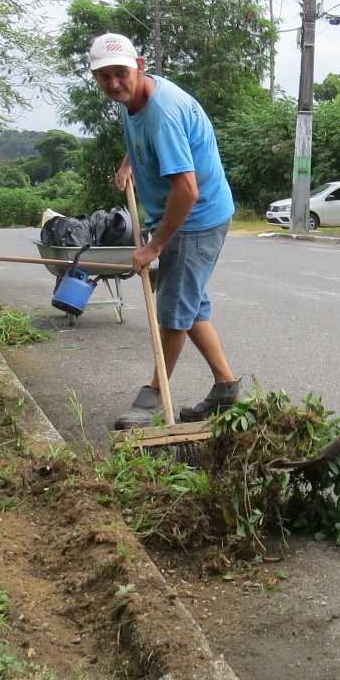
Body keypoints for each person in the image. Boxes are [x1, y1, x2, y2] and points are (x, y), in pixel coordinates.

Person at [87, 33, 243, 429]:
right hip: (183, 212)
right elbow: (138, 131)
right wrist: (128, 164)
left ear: (138, 65)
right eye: (104, 77)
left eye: (120, 74)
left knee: (174, 311)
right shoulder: (135, 96)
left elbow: (187, 190)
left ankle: (153, 398)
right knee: (190, 304)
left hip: (196, 217)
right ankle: (226, 388)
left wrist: (154, 247)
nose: (114, 84)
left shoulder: (165, 115)